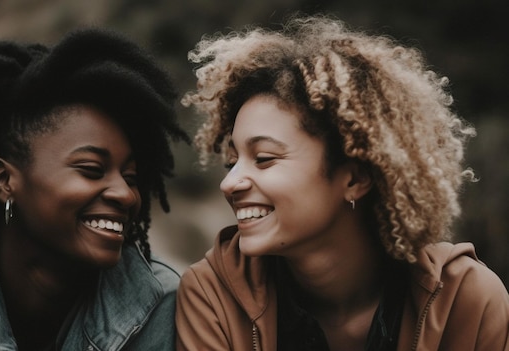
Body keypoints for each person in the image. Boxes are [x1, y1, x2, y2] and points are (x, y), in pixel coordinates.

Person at [176, 14, 509, 351]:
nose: (229, 183)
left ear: (355, 178)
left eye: (263, 158)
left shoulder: (464, 300)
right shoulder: (212, 297)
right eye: (232, 162)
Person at [0, 27, 189, 351]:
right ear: (4, 180)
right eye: (91, 170)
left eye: (130, 178)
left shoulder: (165, 308)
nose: (126, 195)